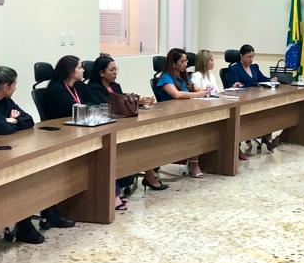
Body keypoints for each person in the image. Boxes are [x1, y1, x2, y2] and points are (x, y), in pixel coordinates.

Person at [0, 65, 71, 242]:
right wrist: (9, 121)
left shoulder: (6, 100)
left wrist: (12, 120)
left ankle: (49, 212)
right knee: (22, 179)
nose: (15, 88)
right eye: (14, 84)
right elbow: (2, 128)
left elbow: (28, 120)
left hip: (9, 149)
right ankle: (24, 226)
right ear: (6, 86)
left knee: (42, 170)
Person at [88, 55, 165, 192]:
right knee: (136, 145)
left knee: (143, 141)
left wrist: (139, 102)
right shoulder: (93, 88)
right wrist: (135, 101)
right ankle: (146, 177)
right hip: (108, 128)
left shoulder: (115, 86)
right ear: (101, 72)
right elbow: (108, 107)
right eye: (112, 70)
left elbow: (123, 103)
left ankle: (149, 175)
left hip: (122, 124)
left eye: (116, 69)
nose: (115, 72)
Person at [154, 47, 209, 177]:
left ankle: (198, 160)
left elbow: (195, 89)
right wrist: (198, 95)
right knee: (196, 128)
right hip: (170, 116)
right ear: (173, 63)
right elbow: (177, 95)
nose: (186, 64)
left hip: (186, 112)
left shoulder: (184, 76)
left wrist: (203, 90)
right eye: (182, 61)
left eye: (186, 61)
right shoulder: (165, 77)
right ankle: (194, 163)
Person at [225, 45, 279, 152]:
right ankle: (263, 138)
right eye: (248, 57)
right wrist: (238, 85)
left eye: (252, 57)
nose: (251, 59)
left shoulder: (255, 67)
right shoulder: (234, 68)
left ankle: (267, 138)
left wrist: (272, 79)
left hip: (256, 98)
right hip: (243, 101)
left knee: (268, 111)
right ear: (241, 56)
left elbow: (262, 79)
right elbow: (234, 86)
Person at [46, 55, 94, 120]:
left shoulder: (79, 85)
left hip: (79, 122)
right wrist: (87, 106)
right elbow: (70, 110)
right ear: (70, 71)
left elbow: (95, 102)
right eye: (79, 68)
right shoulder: (56, 89)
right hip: (62, 125)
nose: (83, 70)